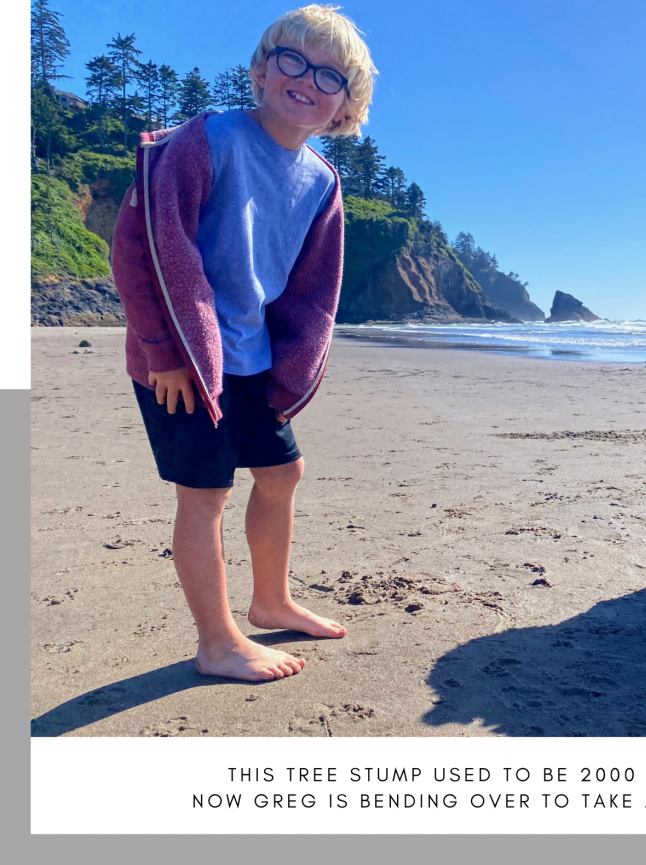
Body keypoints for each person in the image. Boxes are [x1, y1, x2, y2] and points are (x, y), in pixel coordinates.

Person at [111, 4, 377, 682]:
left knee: (283, 472)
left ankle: (271, 598)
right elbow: (138, 245)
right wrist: (162, 349)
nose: (308, 80)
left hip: (254, 358)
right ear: (261, 70)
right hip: (185, 358)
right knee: (204, 495)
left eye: (331, 75)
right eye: (293, 59)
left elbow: (312, 288)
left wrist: (294, 371)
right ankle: (217, 641)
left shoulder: (322, 182)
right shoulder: (208, 140)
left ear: (345, 107)